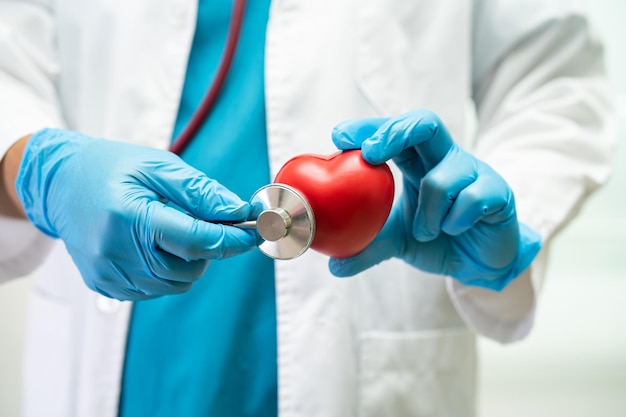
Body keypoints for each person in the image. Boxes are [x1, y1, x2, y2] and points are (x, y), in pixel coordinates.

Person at [0, 0, 616, 416]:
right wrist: (37, 169)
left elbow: (555, 80)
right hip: (125, 355)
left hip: (372, 348)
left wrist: (504, 216)